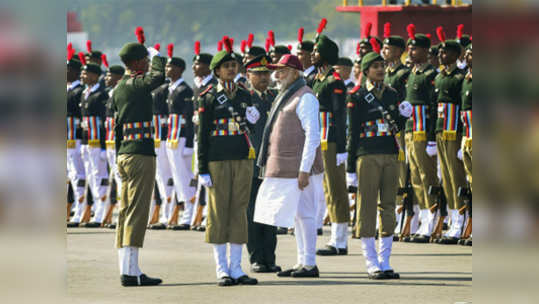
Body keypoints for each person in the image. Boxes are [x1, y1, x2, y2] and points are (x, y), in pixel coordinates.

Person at [196, 37, 260, 286]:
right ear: (217, 71)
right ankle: (221, 268)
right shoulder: (209, 96)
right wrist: (202, 168)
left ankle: (237, 267)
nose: (232, 69)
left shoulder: (245, 94)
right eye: (226, 66)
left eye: (234, 65)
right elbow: (202, 135)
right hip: (218, 160)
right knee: (218, 212)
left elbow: (249, 126)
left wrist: (253, 118)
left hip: (242, 158)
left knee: (239, 211)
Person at [254, 54, 324, 278]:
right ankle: (302, 261)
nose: (277, 75)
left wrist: (304, 169)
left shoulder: (305, 97)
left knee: (306, 214)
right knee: (296, 216)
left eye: (282, 71)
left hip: (301, 167)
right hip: (288, 166)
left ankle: (310, 263)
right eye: (277, 70)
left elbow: (313, 136)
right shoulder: (287, 95)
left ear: (295, 73)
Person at [346, 51, 411, 280]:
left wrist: (404, 115)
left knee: (389, 205)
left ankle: (385, 260)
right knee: (367, 206)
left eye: (382, 65)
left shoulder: (393, 94)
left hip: (390, 153)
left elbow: (396, 126)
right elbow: (352, 133)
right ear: (365, 71)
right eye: (375, 66)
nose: (381, 69)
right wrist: (350, 168)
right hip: (367, 154)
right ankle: (370, 261)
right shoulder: (357, 96)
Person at [113, 30, 166, 286]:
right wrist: (157, 55)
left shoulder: (119, 88)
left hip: (124, 153)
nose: (147, 64)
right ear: (135, 63)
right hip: (140, 154)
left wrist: (116, 157)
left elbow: (115, 126)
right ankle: (130, 272)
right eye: (144, 60)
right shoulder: (134, 84)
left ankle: (128, 267)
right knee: (137, 212)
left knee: (125, 211)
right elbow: (158, 77)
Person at [311, 35, 349, 256]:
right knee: (327, 190)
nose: (313, 54)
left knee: (336, 190)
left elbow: (340, 115)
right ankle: (335, 237)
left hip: (332, 141)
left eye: (316, 51)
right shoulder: (318, 79)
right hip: (320, 141)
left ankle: (339, 240)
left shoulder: (334, 81)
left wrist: (342, 148)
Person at [401, 24, 439, 243]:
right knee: (415, 177)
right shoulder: (411, 74)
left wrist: (432, 138)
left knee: (427, 175)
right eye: (410, 48)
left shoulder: (429, 75)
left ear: (425, 51)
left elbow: (433, 109)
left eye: (415, 49)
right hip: (410, 130)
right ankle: (423, 217)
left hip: (423, 131)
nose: (411, 52)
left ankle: (432, 219)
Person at [244, 54, 281, 273]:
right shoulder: (244, 98)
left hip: (274, 162)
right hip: (252, 163)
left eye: (267, 73)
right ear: (248, 75)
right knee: (253, 211)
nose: (264, 78)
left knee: (271, 211)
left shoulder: (275, 98)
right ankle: (256, 257)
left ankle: (270, 257)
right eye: (259, 74)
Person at [381, 23, 417, 238]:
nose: (384, 52)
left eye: (388, 49)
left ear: (398, 51)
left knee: (403, 172)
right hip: (385, 129)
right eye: (383, 48)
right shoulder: (385, 72)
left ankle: (407, 214)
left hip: (399, 129)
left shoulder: (404, 73)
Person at [433, 28, 467, 244]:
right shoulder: (439, 77)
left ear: (456, 55)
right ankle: (454, 218)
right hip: (440, 131)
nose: (441, 56)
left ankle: (460, 221)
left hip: (454, 132)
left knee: (457, 178)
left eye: (445, 53)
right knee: (446, 178)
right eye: (440, 53)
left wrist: (463, 137)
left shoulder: (460, 77)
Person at [164, 54, 197, 230]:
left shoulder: (184, 90)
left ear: (180, 69)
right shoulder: (170, 89)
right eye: (167, 66)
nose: (167, 69)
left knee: (185, 177)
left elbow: (190, 119)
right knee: (176, 177)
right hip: (172, 138)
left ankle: (189, 213)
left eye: (171, 67)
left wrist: (190, 144)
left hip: (182, 138)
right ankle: (180, 212)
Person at [78, 55, 110, 228]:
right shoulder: (85, 93)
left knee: (99, 176)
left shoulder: (101, 95)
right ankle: (94, 210)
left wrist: (104, 147)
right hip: (86, 141)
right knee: (90, 176)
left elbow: (105, 123)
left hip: (98, 141)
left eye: (86, 73)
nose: (82, 76)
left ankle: (101, 212)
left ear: (95, 76)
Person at [102, 64, 126, 229]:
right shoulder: (110, 93)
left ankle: (122, 214)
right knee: (115, 179)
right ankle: (112, 212)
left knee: (121, 179)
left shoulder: (120, 93)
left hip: (119, 142)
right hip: (110, 142)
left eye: (109, 75)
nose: (106, 78)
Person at [66, 52, 86, 227]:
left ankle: (81, 210)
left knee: (78, 176)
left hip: (77, 140)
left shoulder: (80, 92)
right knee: (68, 177)